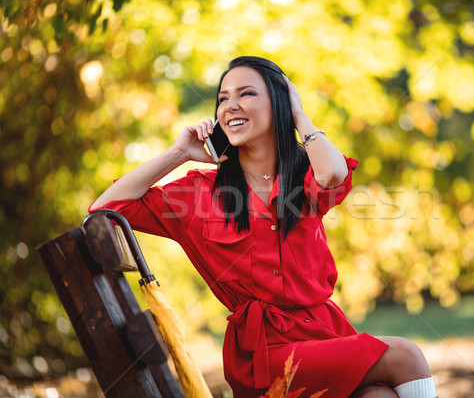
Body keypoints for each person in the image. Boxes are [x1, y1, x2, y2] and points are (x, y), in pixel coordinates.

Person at [90, 56, 437, 398]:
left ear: (280, 103)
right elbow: (104, 208)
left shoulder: (306, 176)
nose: (230, 106)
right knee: (406, 356)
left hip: (323, 334)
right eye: (223, 98)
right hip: (263, 354)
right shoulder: (198, 193)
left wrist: (299, 115)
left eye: (246, 94)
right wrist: (179, 153)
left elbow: (333, 174)